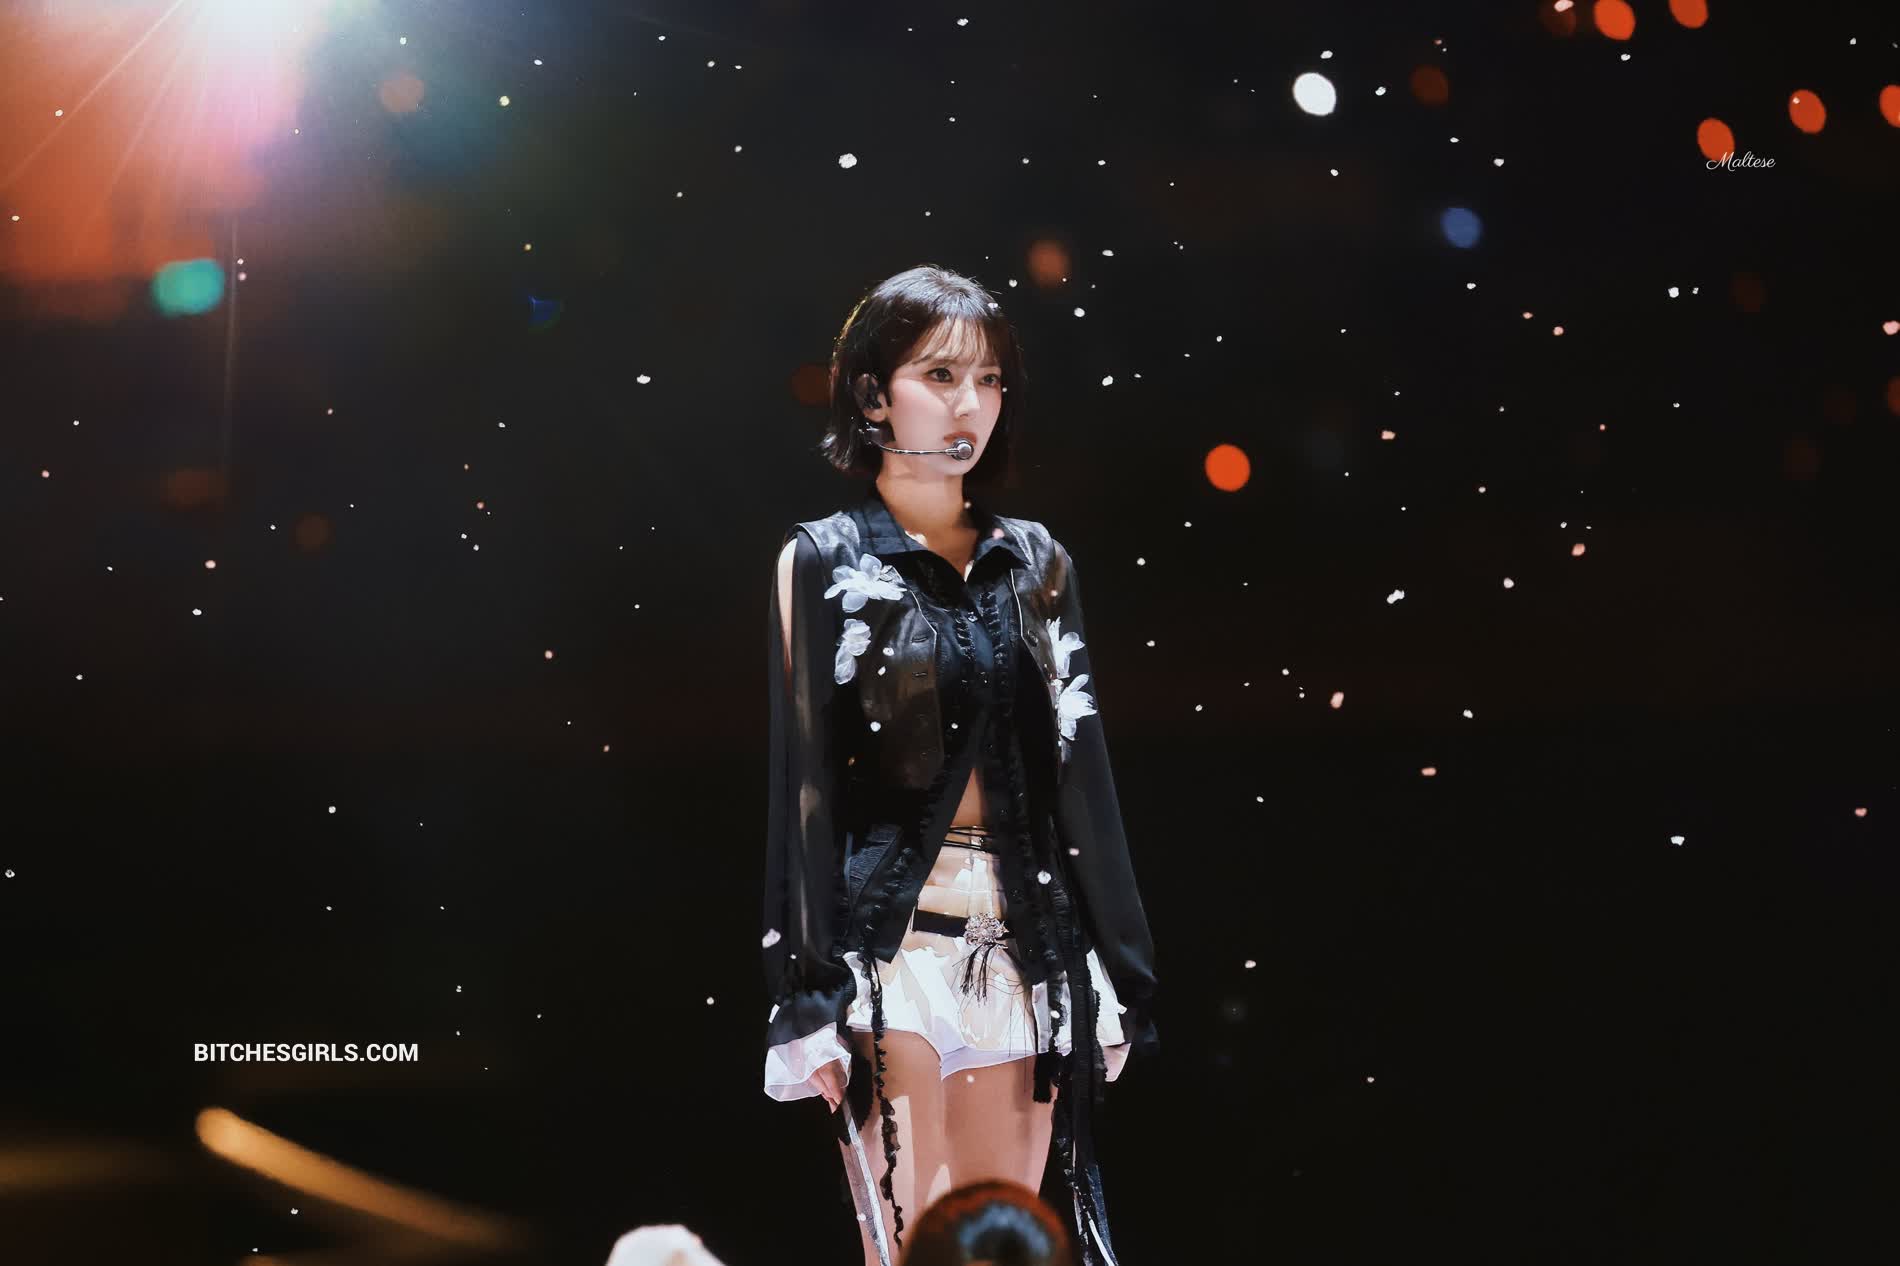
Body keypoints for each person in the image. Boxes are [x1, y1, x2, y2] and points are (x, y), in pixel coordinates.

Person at [761, 264, 1159, 1266]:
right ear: (871, 393)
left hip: (1028, 944)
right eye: (940, 375)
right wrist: (806, 989)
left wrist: (1119, 968)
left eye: (988, 380)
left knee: (1002, 1249)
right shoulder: (825, 560)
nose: (969, 403)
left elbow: (1082, 773)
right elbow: (805, 787)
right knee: (910, 1252)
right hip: (890, 949)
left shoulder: (1039, 563)